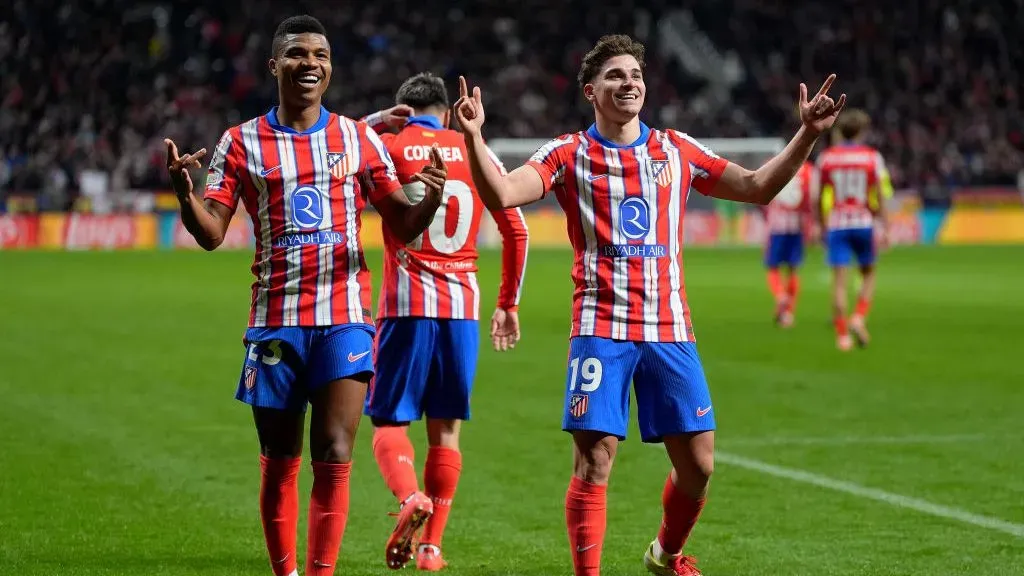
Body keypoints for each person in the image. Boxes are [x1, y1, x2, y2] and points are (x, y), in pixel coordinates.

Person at [453, 34, 844, 576]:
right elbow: (501, 192)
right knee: (594, 460)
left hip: (669, 328)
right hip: (600, 327)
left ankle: (665, 554)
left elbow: (756, 186)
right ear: (590, 91)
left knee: (700, 466)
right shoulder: (568, 153)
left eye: (635, 75)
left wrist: (808, 134)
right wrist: (474, 138)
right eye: (615, 75)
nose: (629, 83)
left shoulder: (675, 149)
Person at [163, 15, 448, 576]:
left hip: (344, 316)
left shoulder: (358, 138)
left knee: (336, 452)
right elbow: (212, 232)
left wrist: (431, 200)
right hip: (276, 320)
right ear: (275, 65)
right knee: (280, 460)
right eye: (297, 54)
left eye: (320, 55)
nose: (310, 63)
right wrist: (184, 194)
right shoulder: (241, 141)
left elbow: (402, 222)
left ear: (330, 68)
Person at [358, 72, 530, 571]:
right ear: (449, 112)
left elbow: (339, 142)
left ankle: (410, 496)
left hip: (405, 306)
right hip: (461, 311)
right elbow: (516, 229)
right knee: (446, 430)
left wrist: (378, 122)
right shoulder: (475, 149)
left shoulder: (387, 144)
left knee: (389, 421)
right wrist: (508, 303)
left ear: (402, 109)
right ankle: (432, 548)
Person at [814, 109, 892, 350]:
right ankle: (858, 317)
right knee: (868, 274)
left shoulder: (827, 158)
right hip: (863, 222)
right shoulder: (872, 157)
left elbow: (818, 197)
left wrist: (821, 225)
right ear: (861, 132)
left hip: (838, 223)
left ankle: (843, 337)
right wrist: (885, 226)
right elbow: (879, 194)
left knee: (839, 282)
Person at [762, 160, 816, 327]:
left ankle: (780, 295)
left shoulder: (774, 163)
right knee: (793, 269)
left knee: (773, 268)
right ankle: (788, 313)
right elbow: (812, 199)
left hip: (777, 225)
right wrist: (811, 225)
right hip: (797, 225)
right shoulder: (808, 170)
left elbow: (762, 190)